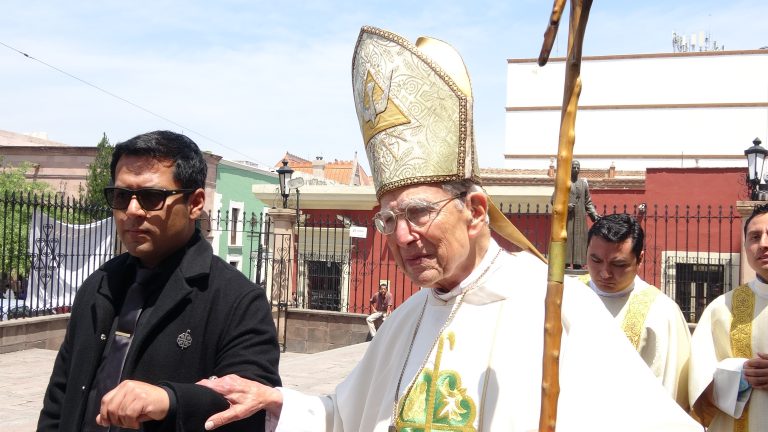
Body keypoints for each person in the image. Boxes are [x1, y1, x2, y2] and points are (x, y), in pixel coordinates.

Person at [196, 26, 702, 431]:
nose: (400, 236)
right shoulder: (404, 319)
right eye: (389, 219)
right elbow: (344, 417)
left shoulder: (556, 308)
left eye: (419, 213)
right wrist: (281, 403)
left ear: (476, 210)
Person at [37, 130, 281, 431]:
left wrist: (170, 400)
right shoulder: (99, 284)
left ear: (194, 203)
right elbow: (60, 399)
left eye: (152, 197)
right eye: (121, 196)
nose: (132, 210)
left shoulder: (237, 301)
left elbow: (252, 409)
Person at [584, 213, 691, 408]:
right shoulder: (568, 295)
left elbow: (668, 389)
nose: (605, 273)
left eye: (618, 264)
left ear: (639, 259)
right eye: (596, 260)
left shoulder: (662, 312)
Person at [689, 203, 768, 431]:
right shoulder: (721, 309)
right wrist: (739, 377)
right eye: (754, 237)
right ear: (745, 246)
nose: (763, 244)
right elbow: (698, 387)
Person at [553, 160, 600, 269]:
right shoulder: (563, 183)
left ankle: (578, 263)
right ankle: (566, 262)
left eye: (577, 167)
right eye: (573, 167)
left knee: (580, 239)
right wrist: (566, 206)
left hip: (580, 217)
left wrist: (594, 215)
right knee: (567, 238)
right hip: (567, 218)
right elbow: (554, 200)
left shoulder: (583, 184)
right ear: (570, 169)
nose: (576, 169)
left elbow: (588, 202)